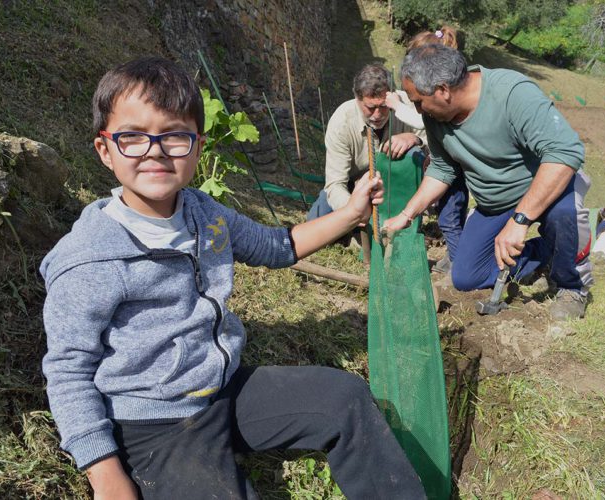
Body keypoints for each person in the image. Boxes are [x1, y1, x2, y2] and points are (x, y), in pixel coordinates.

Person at [40, 57, 426, 500]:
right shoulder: (88, 257)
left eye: (175, 136)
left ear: (198, 147)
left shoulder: (205, 214)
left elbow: (278, 246)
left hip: (226, 389)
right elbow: (69, 371)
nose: (155, 150)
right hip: (155, 426)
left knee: (345, 398)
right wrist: (105, 475)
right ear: (105, 150)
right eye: (133, 137)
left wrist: (354, 213)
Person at [384, 44, 593, 320]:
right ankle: (546, 253)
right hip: (495, 203)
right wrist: (407, 214)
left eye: (418, 101)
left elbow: (565, 153)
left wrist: (519, 222)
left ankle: (571, 286)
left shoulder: (512, 93)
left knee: (565, 214)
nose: (416, 109)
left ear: (443, 90)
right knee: (466, 276)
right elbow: (443, 170)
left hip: (542, 190)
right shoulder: (435, 118)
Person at [384, 25, 469, 274]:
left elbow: (423, 121)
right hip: (446, 165)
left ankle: (458, 263)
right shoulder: (442, 93)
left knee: (449, 217)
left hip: (452, 168)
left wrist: (398, 108)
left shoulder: (443, 102)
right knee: (450, 214)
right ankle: (456, 257)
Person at [306, 64, 425, 221]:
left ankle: (408, 214)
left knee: (414, 152)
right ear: (357, 99)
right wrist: (355, 211)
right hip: (354, 187)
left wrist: (415, 138)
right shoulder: (342, 122)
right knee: (316, 221)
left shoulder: (407, 104)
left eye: (383, 106)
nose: (377, 115)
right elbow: (335, 185)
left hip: (396, 183)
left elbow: (437, 141)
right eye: (370, 107)